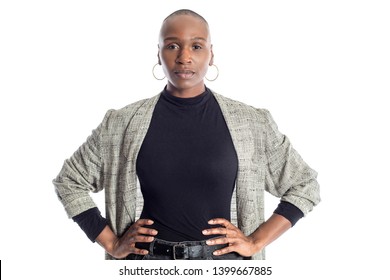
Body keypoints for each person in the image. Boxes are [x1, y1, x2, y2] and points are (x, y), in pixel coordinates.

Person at [53, 9, 320, 260]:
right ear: (159, 54)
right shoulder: (120, 123)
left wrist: (256, 241)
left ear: (211, 55)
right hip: (146, 263)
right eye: (172, 46)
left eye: (196, 46)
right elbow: (69, 181)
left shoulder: (253, 123)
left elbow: (304, 185)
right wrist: (111, 243)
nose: (184, 57)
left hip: (225, 264)